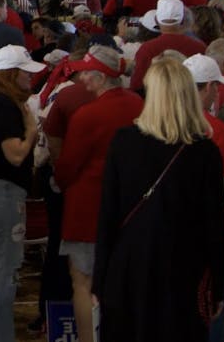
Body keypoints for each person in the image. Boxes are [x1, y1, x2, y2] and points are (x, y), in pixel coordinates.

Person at [94, 57, 224, 342]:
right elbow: (214, 226)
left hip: (129, 265)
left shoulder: (123, 142)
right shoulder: (204, 152)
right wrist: (219, 286)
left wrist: (100, 277)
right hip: (184, 269)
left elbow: (108, 214)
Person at [52, 45, 142, 341]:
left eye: (87, 75)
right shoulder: (139, 106)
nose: (82, 81)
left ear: (101, 77)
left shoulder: (87, 115)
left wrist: (59, 182)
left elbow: (67, 166)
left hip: (87, 210)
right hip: (132, 211)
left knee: (83, 281)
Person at [0, 44, 43, 342]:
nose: (31, 79)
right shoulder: (4, 105)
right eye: (27, 73)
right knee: (4, 271)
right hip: (2, 193)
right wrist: (31, 132)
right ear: (14, 74)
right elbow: (15, 155)